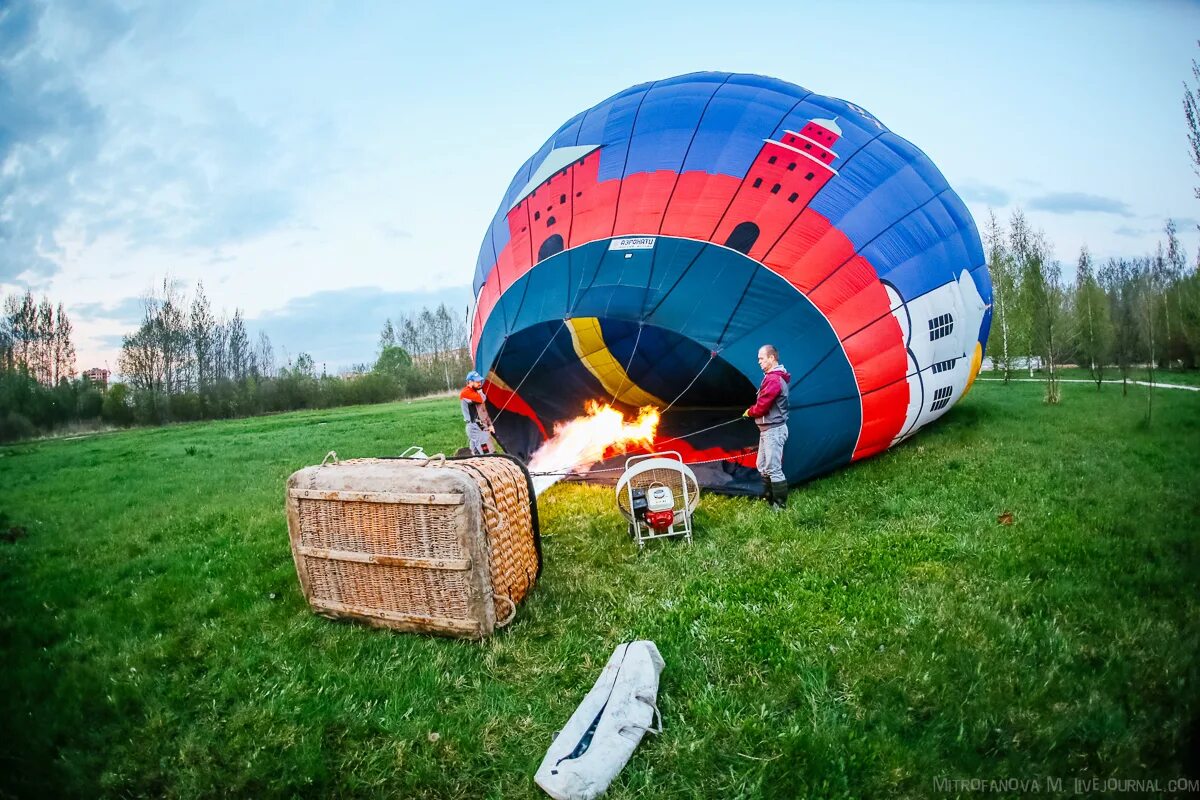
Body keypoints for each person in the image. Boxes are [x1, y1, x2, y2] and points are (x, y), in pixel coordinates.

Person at [743, 344, 790, 509]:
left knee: (773, 468)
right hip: (767, 430)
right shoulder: (771, 377)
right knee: (762, 465)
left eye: (761, 358)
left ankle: (779, 506)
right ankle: (769, 498)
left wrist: (750, 412)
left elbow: (762, 406)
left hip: (774, 431)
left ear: (772, 358)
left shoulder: (774, 379)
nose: (759, 362)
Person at [460, 371, 495, 455]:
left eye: (480, 381)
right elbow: (482, 399)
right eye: (477, 382)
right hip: (475, 427)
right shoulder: (465, 393)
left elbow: (483, 411)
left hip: (481, 426)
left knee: (476, 454)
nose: (480, 383)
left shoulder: (476, 392)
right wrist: (480, 391)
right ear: (470, 382)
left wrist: (490, 424)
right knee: (488, 454)